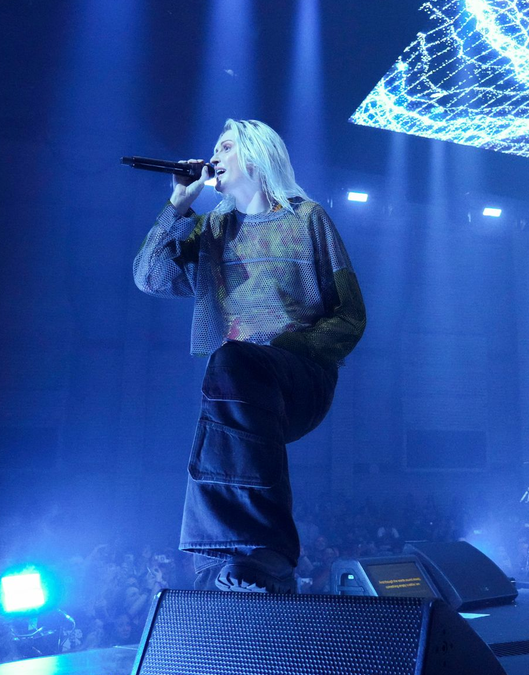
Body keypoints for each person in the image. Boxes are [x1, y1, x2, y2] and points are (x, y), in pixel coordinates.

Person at [134, 119, 367, 593]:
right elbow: (149, 277)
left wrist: (288, 347)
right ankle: (227, 558)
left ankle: (270, 549)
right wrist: (178, 204)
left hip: (301, 379)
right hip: (237, 385)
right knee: (222, 389)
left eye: (225, 147)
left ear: (257, 156)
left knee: (232, 361)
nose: (213, 156)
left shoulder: (307, 218)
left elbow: (350, 315)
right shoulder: (211, 230)